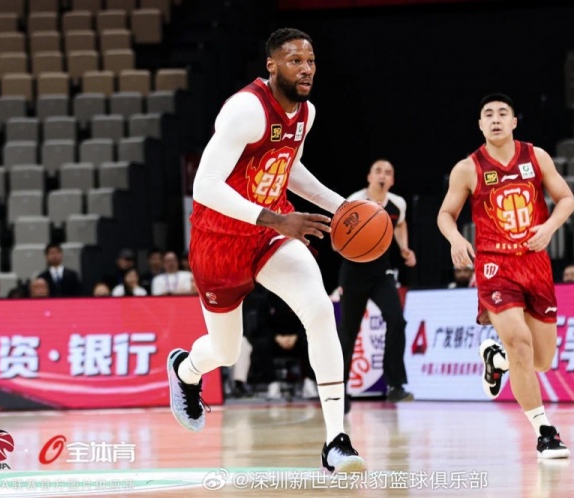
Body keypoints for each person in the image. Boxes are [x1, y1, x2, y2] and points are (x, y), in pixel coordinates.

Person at [166, 28, 366, 473]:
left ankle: (336, 440)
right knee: (226, 352)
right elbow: (205, 185)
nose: (306, 69)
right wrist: (277, 219)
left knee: (319, 310)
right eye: (295, 61)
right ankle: (185, 370)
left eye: (311, 61)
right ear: (272, 66)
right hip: (219, 240)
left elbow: (288, 169)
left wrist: (342, 207)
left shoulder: (306, 113)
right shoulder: (246, 110)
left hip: (269, 234)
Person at [437, 93, 573, 459]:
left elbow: (566, 199)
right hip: (495, 266)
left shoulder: (536, 156)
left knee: (541, 361)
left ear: (514, 122)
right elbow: (445, 214)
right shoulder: (468, 168)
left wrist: (549, 227)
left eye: (502, 113)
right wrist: (456, 239)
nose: (495, 119)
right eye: (488, 114)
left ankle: (496, 361)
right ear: (480, 125)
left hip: (535, 263)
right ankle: (545, 432)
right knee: (520, 343)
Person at [338, 159, 416, 413]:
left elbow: (400, 224)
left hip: (381, 271)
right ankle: (339, 392)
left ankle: (395, 385)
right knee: (348, 333)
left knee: (397, 320)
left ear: (392, 180)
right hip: (354, 272)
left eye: (388, 172)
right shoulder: (354, 202)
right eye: (378, 171)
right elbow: (337, 239)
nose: (383, 175)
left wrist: (404, 248)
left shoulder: (397, 204)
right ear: (369, 177)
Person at [245, 284, 319, 400]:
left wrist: (296, 336)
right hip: (274, 341)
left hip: (295, 340)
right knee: (262, 344)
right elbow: (262, 324)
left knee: (309, 342)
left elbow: (306, 322)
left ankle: (309, 382)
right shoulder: (267, 299)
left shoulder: (298, 298)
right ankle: (272, 384)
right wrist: (276, 337)